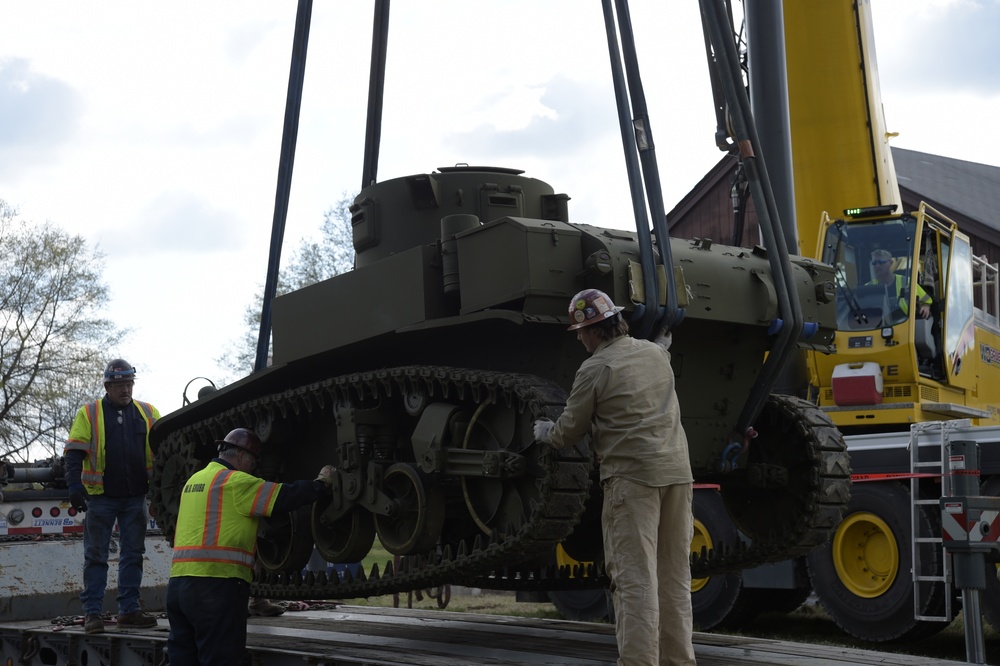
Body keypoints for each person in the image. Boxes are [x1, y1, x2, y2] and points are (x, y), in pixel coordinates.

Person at [534, 289, 696, 666]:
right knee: (674, 577)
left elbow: (569, 431)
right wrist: (660, 341)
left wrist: (546, 432)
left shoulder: (594, 369)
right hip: (677, 475)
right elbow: (660, 351)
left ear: (593, 331)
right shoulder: (655, 354)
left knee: (635, 579)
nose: (578, 339)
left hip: (633, 480)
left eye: (580, 331)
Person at [166, 427, 335, 665]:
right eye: (253, 462)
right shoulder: (236, 482)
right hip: (217, 586)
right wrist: (321, 484)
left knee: (183, 659)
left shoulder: (195, 480)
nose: (253, 468)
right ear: (242, 456)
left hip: (178, 587)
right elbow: (284, 496)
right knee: (221, 659)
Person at [64, 359, 161, 635]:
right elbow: (74, 453)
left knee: (133, 554)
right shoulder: (90, 413)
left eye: (129, 384)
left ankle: (129, 610)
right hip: (101, 498)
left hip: (135, 497)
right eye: (119, 385)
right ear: (108, 386)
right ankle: (92, 613)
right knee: (96, 556)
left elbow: (163, 451)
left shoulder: (149, 412)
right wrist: (74, 486)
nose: (125, 389)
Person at [868, 249, 932, 319]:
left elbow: (926, 300)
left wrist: (925, 306)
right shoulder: (868, 287)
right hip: (878, 325)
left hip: (906, 323)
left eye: (881, 262)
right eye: (874, 263)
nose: (877, 266)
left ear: (891, 262)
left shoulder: (907, 281)